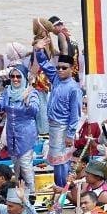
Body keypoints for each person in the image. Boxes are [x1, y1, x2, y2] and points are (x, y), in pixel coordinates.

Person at [34, 37, 82, 187]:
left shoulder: (74, 88)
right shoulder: (55, 78)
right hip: (52, 126)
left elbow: (76, 113)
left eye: (64, 68)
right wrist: (39, 50)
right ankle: (61, 186)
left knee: (61, 160)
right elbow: (44, 64)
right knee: (57, 159)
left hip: (63, 127)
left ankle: (62, 188)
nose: (60, 70)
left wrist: (70, 134)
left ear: (71, 69)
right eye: (59, 67)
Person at [0, 64, 40, 191]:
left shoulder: (31, 92)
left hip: (25, 135)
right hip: (11, 135)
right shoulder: (7, 91)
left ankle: (32, 194)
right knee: (17, 167)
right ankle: (20, 194)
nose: (15, 79)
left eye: (18, 76)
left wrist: (26, 101)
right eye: (12, 76)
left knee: (26, 166)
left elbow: (35, 111)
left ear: (24, 77)